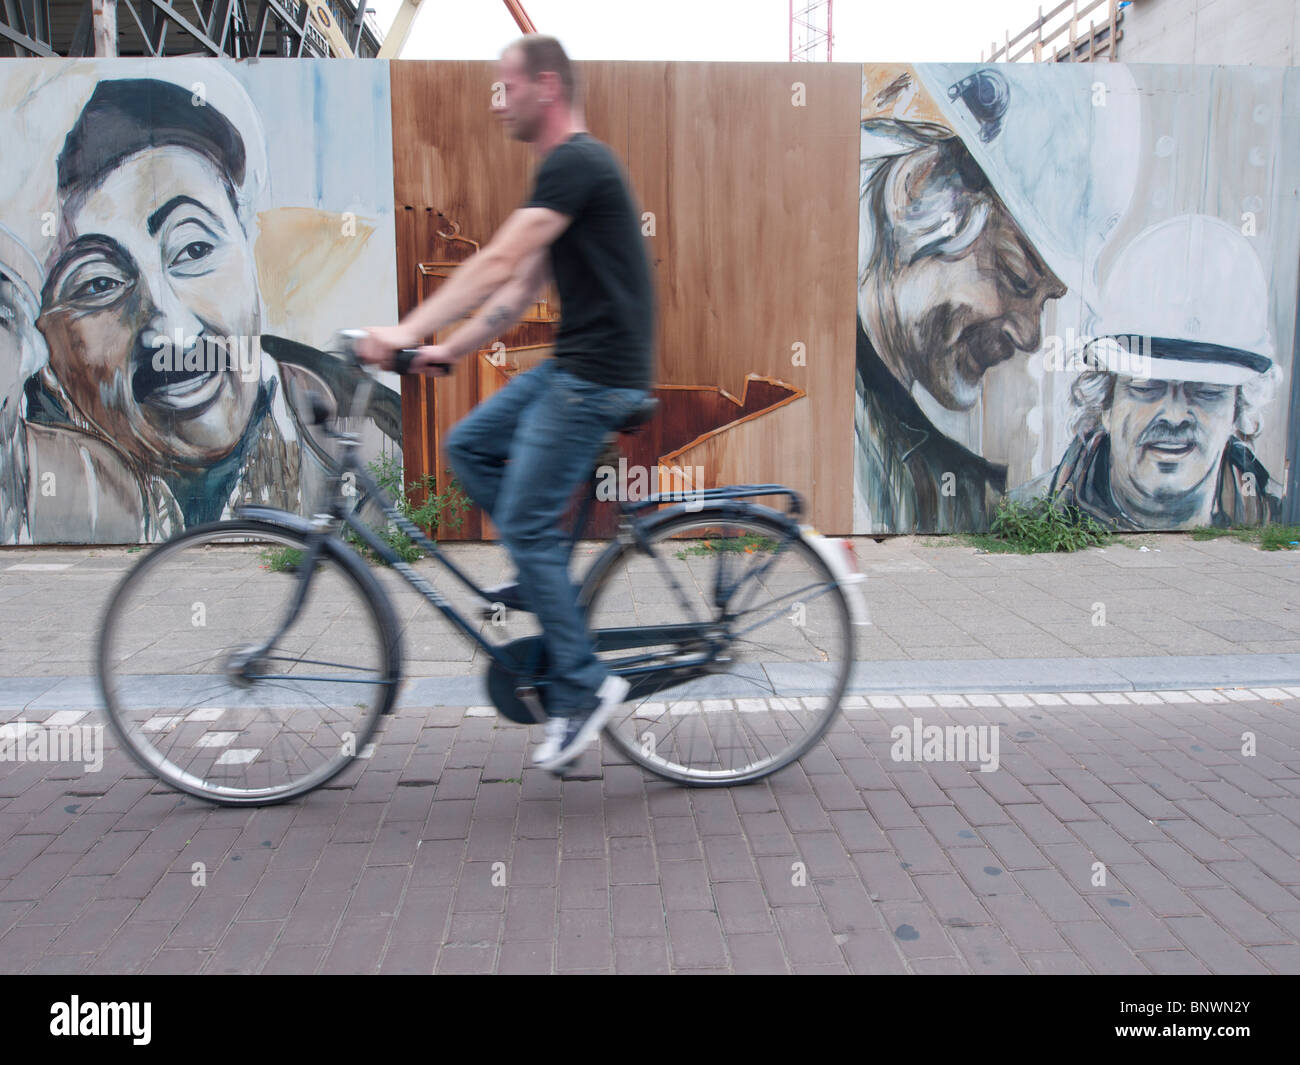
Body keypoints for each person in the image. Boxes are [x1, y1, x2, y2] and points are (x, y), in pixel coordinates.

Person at [361, 34, 655, 773]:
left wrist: (403, 327)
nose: (497, 102)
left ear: (546, 87)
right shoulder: (563, 176)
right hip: (572, 365)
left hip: (596, 375)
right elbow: (518, 289)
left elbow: (493, 260)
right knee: (469, 444)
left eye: (506, 87)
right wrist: (442, 352)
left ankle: (585, 688)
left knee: (522, 515)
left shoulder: (577, 163)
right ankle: (542, 568)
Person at [1046, 215, 1283, 529]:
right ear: (1104, 404)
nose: (1174, 415)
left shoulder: (1274, 516)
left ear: (1239, 410)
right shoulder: (1032, 509)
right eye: (1146, 386)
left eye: (1208, 390)